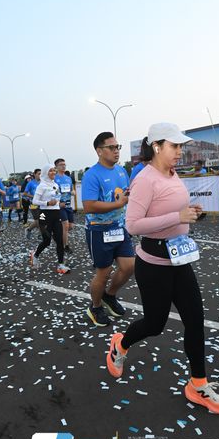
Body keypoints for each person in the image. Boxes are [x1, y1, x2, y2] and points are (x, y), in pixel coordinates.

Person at [105, 122, 219, 414]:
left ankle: (198, 385)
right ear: (157, 146)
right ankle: (120, 344)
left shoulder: (173, 174)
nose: (179, 151)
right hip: (154, 266)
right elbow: (133, 225)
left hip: (180, 261)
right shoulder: (145, 179)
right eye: (174, 146)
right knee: (154, 325)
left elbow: (173, 212)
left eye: (180, 146)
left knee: (195, 321)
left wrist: (190, 215)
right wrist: (178, 216)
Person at [82, 132, 135, 327]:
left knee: (129, 266)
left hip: (119, 227)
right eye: (111, 147)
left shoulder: (121, 171)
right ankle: (95, 307)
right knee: (103, 273)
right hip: (98, 231)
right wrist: (118, 204)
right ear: (99, 151)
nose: (116, 151)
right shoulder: (91, 175)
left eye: (117, 147)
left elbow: (125, 194)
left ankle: (109, 296)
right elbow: (89, 206)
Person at [30, 164, 70, 274]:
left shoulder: (55, 185)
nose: (53, 173)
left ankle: (61, 265)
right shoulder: (41, 186)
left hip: (56, 214)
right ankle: (35, 255)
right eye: (50, 171)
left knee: (59, 240)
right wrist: (47, 203)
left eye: (54, 170)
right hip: (44, 214)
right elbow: (34, 201)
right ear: (45, 173)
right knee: (46, 241)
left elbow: (57, 198)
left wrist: (59, 203)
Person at [55, 158, 75, 252]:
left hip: (68, 205)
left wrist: (73, 192)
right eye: (61, 165)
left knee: (70, 226)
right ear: (56, 167)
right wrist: (58, 203)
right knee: (66, 226)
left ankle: (58, 233)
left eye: (64, 164)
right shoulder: (54, 179)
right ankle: (65, 246)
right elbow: (51, 193)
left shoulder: (68, 178)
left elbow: (71, 190)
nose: (63, 166)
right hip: (60, 206)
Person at [23, 169, 42, 239]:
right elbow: (25, 193)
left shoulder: (43, 182)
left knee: (42, 219)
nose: (40, 175)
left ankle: (29, 229)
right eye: (39, 174)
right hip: (33, 204)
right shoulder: (30, 183)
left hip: (42, 204)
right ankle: (40, 234)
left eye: (41, 174)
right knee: (37, 220)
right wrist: (33, 196)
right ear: (34, 174)